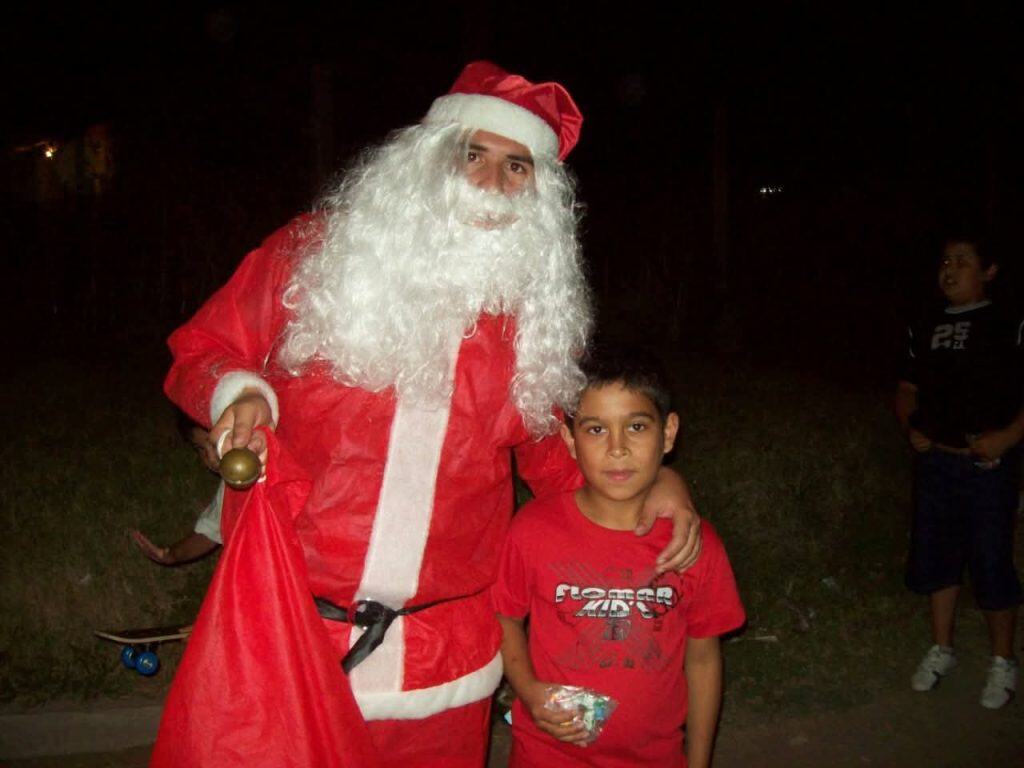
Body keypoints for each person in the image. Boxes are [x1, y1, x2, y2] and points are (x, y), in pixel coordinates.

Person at [155, 62, 702, 767]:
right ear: (426, 157)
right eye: (472, 153)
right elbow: (202, 347)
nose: (492, 184)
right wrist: (240, 393)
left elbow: (562, 466)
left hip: (447, 664)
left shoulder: (532, 317)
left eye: (517, 168)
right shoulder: (313, 256)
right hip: (290, 639)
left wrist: (659, 485)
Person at [492, 348, 744, 768]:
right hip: (547, 754)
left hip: (655, 757)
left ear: (668, 433)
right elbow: (503, 616)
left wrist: (698, 762)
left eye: (637, 426)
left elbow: (702, 660)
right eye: (595, 430)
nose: (618, 448)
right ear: (570, 440)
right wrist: (528, 688)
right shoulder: (533, 529)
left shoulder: (693, 544)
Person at [896, 233, 1024, 709]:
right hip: (937, 463)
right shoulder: (925, 323)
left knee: (991, 559)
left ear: (988, 271)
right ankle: (942, 648)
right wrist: (912, 428)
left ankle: (1003, 660)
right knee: (937, 556)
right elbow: (907, 388)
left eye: (963, 261)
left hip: (988, 463)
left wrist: (1008, 438)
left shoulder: (1009, 322)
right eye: (945, 260)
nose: (949, 269)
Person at [131, 420, 222, 565]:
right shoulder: (230, 491)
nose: (210, 458)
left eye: (216, 445)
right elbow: (212, 530)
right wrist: (171, 555)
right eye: (201, 448)